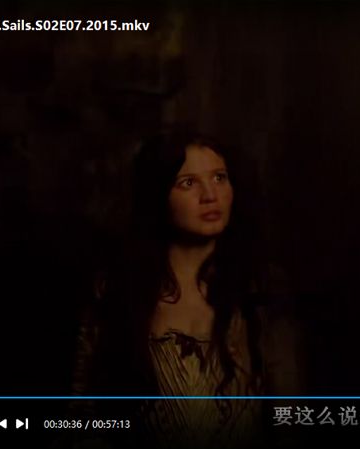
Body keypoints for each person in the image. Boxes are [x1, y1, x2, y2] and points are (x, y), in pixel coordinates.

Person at [72, 130, 299, 449]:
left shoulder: (258, 289)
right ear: (158, 194)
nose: (210, 195)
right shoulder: (120, 291)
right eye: (188, 183)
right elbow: (84, 414)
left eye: (219, 178)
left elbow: (289, 414)